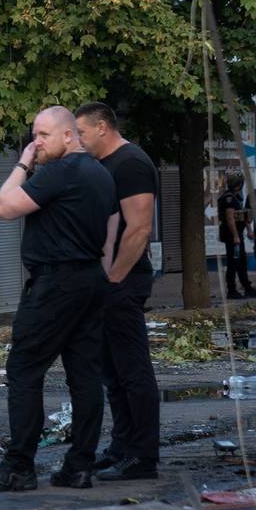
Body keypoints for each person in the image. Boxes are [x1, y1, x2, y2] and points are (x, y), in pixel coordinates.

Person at [0, 107, 116, 493]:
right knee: (85, 375)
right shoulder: (100, 173)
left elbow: (4, 206)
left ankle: (19, 466)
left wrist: (22, 163)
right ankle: (79, 466)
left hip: (56, 282)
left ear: (69, 136)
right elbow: (109, 230)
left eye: (43, 135)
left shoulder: (59, 171)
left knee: (24, 369)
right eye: (33, 135)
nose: (35, 143)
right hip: (89, 278)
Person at [73, 103, 159, 482]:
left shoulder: (131, 163)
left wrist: (115, 280)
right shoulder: (102, 165)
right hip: (103, 282)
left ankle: (143, 456)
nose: (78, 139)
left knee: (132, 370)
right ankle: (122, 447)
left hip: (122, 281)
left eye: (82, 132)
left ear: (103, 127)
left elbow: (138, 228)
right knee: (112, 372)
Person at [216, 175, 253, 299]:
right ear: (239, 185)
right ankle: (231, 290)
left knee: (241, 262)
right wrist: (235, 236)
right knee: (233, 263)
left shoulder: (235, 197)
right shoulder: (229, 198)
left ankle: (247, 287)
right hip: (232, 236)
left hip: (236, 235)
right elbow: (230, 218)